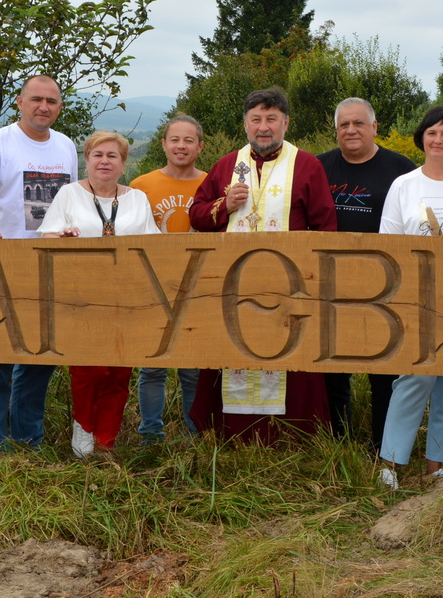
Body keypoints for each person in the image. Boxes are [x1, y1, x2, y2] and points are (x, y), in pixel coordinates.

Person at [188, 88, 337, 442]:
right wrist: (223, 205)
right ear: (245, 125)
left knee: (292, 368)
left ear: (285, 123)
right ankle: (228, 440)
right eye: (256, 119)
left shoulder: (307, 164)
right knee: (230, 359)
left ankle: (293, 441)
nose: (263, 127)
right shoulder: (227, 165)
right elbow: (195, 214)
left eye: (271, 119)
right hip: (233, 289)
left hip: (290, 290)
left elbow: (326, 227)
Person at [0, 75, 77, 450]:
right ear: (20, 102)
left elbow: (70, 201)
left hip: (49, 265)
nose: (44, 107)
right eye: (36, 99)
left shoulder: (66, 146)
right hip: (2, 262)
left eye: (52, 101)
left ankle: (29, 438)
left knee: (40, 359)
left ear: (60, 107)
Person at [375, 106, 443, 489]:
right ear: (422, 137)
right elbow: (388, 242)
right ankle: (391, 461)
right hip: (414, 294)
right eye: (432, 133)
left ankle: (438, 464)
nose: (438, 140)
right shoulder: (404, 185)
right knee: (414, 378)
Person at [39, 130, 160, 458]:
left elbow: (155, 245)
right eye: (98, 155)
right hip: (82, 299)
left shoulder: (137, 199)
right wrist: (60, 238)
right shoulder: (68, 194)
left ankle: (107, 442)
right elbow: (46, 237)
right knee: (89, 371)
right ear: (87, 160)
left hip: (127, 299)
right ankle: (84, 431)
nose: (105, 161)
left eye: (113, 156)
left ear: (123, 164)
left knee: (119, 373)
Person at [318, 97, 417, 446]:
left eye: (359, 123)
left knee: (385, 372)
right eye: (344, 124)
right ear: (336, 130)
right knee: (332, 370)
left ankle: (385, 448)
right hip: (329, 285)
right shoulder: (319, 168)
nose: (351, 130)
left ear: (374, 127)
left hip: (386, 286)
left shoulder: (402, 169)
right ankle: (338, 445)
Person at [128, 114, 207, 445]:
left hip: (198, 288)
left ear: (200, 147)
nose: (181, 146)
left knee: (192, 370)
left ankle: (195, 436)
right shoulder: (141, 186)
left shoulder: (211, 182)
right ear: (163, 144)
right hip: (152, 285)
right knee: (152, 368)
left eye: (189, 140)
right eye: (175, 139)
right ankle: (150, 436)